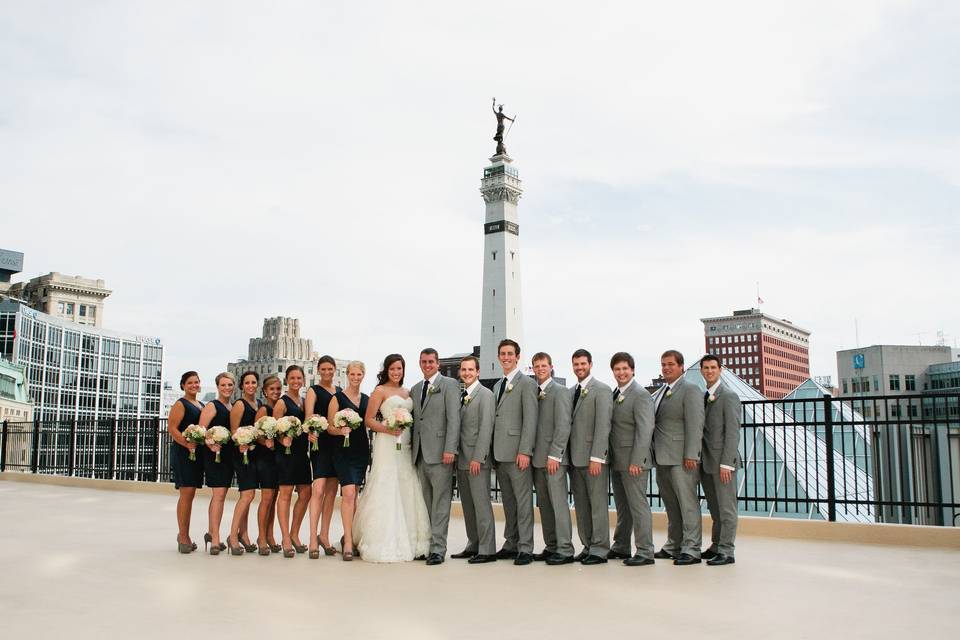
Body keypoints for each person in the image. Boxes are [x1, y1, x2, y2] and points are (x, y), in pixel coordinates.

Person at [352, 354, 430, 562]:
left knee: (407, 484)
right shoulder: (380, 391)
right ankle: (382, 540)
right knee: (387, 485)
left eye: (400, 369)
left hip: (406, 445)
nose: (396, 372)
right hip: (387, 444)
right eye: (393, 369)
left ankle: (413, 540)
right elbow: (368, 420)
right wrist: (388, 428)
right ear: (386, 370)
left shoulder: (407, 391)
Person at [652, 350, 705, 566]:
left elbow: (695, 423)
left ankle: (692, 548)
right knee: (671, 505)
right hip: (663, 457)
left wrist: (692, 454)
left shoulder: (690, 390)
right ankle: (674, 544)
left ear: (681, 366)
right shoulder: (663, 391)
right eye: (663, 364)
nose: (666, 368)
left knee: (687, 504)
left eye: (671, 364)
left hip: (682, 458)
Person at [410, 348, 461, 565]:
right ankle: (426, 545)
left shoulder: (449, 385)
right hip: (420, 455)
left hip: (441, 454)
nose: (427, 365)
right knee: (425, 504)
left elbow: (454, 419)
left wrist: (450, 449)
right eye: (424, 361)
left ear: (438, 363)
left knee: (440, 504)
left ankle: (439, 549)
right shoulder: (415, 389)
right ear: (419, 363)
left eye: (431, 361)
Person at [491, 339, 538, 565]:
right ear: (499, 357)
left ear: (517, 357)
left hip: (518, 454)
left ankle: (525, 547)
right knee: (509, 502)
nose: (506, 357)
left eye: (510, 354)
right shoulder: (498, 385)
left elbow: (530, 420)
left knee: (522, 501)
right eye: (503, 354)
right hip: (500, 454)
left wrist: (525, 451)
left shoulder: (527, 384)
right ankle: (511, 542)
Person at [608, 352, 656, 566]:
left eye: (625, 369)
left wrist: (637, 460)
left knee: (638, 506)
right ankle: (621, 546)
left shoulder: (641, 394)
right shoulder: (615, 393)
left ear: (633, 370)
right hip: (618, 460)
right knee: (623, 506)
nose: (621, 372)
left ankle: (645, 551)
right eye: (617, 369)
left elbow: (645, 429)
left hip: (633, 462)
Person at [567, 348, 613, 565]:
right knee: (582, 505)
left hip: (593, 460)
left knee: (597, 504)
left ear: (591, 364)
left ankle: (600, 548)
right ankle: (587, 544)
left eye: (583, 364)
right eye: (576, 364)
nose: (579, 368)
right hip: (575, 459)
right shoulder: (570, 392)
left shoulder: (602, 390)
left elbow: (603, 426)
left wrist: (598, 457)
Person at [450, 355, 496, 564]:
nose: (467, 373)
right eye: (463, 370)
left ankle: (487, 549)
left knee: (481, 505)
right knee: (468, 505)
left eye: (471, 370)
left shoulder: (485, 395)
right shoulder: (462, 395)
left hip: (477, 461)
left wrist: (479, 457)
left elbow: (486, 428)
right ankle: (473, 543)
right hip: (462, 460)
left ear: (478, 372)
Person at [530, 352, 574, 565]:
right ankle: (551, 545)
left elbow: (563, 425)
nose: (540, 369)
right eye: (536, 366)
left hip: (554, 459)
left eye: (543, 365)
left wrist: (555, 454)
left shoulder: (560, 392)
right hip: (537, 459)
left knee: (558, 504)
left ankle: (565, 548)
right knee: (544, 506)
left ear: (551, 366)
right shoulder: (533, 392)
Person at [325, 361, 371, 561]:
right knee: (348, 493)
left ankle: (350, 535)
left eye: (359, 374)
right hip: (342, 451)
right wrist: (340, 430)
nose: (355, 377)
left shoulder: (367, 399)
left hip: (361, 451)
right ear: (347, 375)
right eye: (352, 374)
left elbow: (370, 421)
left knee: (355, 495)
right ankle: (348, 542)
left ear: (363, 376)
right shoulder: (337, 398)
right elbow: (328, 427)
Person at [699, 354, 741, 566]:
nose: (709, 371)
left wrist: (727, 463)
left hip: (723, 463)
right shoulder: (703, 396)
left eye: (713, 367)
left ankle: (727, 550)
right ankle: (716, 545)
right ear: (701, 371)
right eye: (705, 368)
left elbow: (733, 432)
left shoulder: (728, 396)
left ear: (720, 369)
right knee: (715, 508)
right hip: (707, 461)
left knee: (726, 508)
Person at [274, 365, 312, 558]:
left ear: (304, 380)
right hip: (286, 454)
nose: (296, 381)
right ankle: (286, 539)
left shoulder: (305, 402)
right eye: (293, 378)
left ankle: (294, 533)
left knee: (306, 493)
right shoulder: (282, 403)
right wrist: (283, 440)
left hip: (301, 454)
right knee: (286, 495)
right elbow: (273, 430)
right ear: (287, 380)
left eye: (299, 378)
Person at [305, 355, 340, 559]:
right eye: (323, 369)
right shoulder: (313, 391)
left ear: (335, 370)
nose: (327, 372)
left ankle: (324, 536)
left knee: (331, 493)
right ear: (318, 370)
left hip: (337, 445)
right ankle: (312, 538)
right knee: (317, 490)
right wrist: (312, 428)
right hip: (319, 443)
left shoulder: (340, 392)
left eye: (330, 369)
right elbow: (309, 415)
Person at [197, 372, 236, 555]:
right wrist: (210, 443)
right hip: (215, 455)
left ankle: (212, 532)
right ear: (217, 387)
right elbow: (201, 430)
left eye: (230, 385)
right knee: (219, 495)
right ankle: (216, 538)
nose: (227, 388)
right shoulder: (212, 406)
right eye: (223, 385)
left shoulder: (233, 406)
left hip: (229, 455)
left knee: (221, 494)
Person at [168, 371, 204, 553]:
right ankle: (183, 537)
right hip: (183, 454)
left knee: (190, 494)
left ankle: (185, 534)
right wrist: (187, 444)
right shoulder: (180, 404)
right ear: (183, 385)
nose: (194, 385)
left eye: (196, 382)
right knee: (186, 494)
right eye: (190, 382)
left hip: (196, 455)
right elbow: (172, 428)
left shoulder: (201, 404)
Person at [226, 371, 261, 555]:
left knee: (250, 494)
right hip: (241, 453)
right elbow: (233, 430)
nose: (250, 385)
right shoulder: (239, 405)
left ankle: (244, 534)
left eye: (253, 382)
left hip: (255, 453)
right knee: (247, 495)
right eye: (247, 382)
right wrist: (242, 442)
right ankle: (232, 536)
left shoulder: (259, 404)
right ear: (242, 386)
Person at [254, 375, 282, 554]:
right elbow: (256, 434)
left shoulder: (280, 407)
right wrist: (265, 443)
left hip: (278, 457)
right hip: (265, 458)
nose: (276, 392)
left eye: (278, 389)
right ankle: (261, 537)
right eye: (272, 389)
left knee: (273, 498)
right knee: (266, 498)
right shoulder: (263, 409)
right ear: (265, 391)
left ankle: (270, 535)